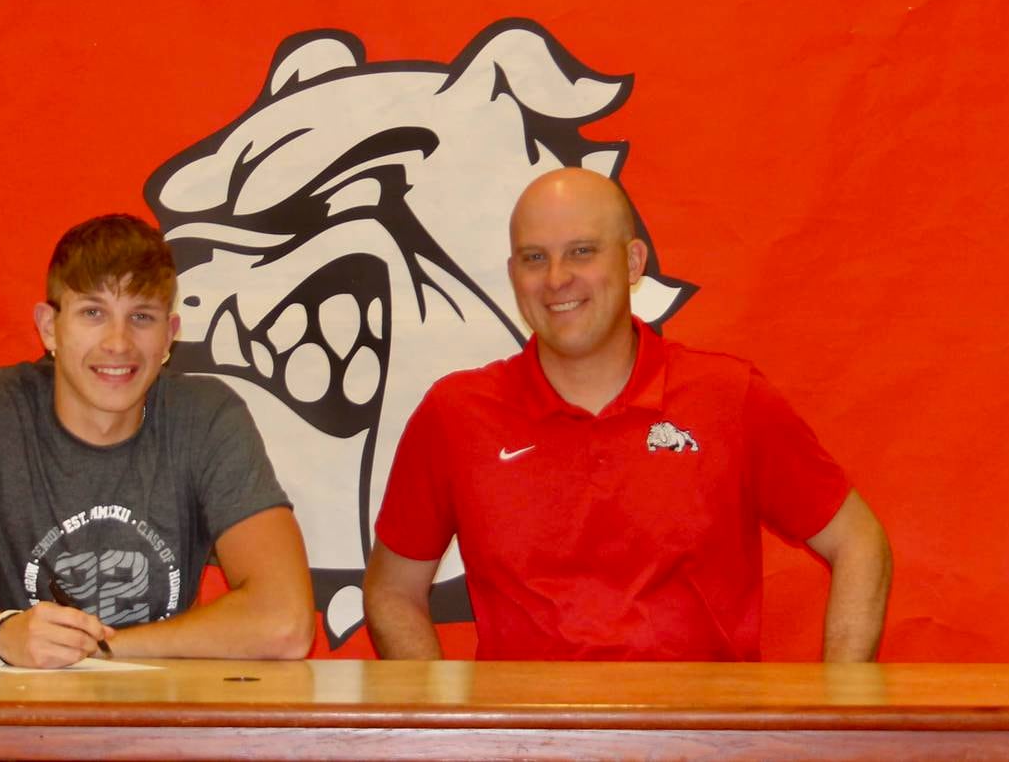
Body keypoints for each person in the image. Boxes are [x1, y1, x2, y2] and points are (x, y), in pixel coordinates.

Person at [364, 168, 891, 662]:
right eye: (533, 258)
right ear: (512, 274)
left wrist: (841, 710)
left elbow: (858, 541)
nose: (556, 279)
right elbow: (392, 592)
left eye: (582, 251)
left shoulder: (729, 397)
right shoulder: (456, 414)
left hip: (705, 750)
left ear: (634, 261)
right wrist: (446, 736)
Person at [0, 214, 315, 667]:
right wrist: (3, 639)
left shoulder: (207, 417)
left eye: (142, 317)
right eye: (93, 312)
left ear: (170, 335)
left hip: (149, 735)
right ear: (49, 327)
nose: (118, 343)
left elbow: (285, 623)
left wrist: (102, 652)